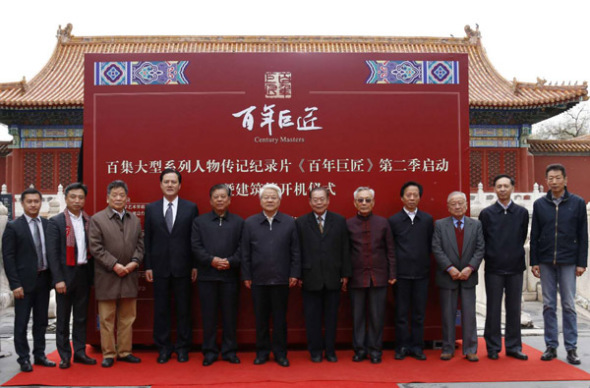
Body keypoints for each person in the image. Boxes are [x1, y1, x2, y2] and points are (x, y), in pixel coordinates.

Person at [530, 163, 588, 365]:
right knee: (548, 305)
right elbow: (534, 234)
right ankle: (550, 346)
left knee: (569, 305)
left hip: (569, 261)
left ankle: (571, 348)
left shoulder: (578, 203)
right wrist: (534, 261)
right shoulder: (539, 205)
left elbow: (583, 235)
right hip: (545, 261)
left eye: (557, 177)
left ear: (565, 180)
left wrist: (582, 262)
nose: (554, 181)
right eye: (550, 178)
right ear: (546, 181)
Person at [241, 184, 301, 367]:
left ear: (279, 200)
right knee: (260, 318)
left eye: (273, 197)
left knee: (280, 319)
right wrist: (246, 275)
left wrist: (294, 273)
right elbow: (245, 252)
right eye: (266, 197)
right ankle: (262, 352)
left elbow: (296, 251)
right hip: (258, 279)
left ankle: (281, 353)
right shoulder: (250, 223)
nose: (269, 200)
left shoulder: (290, 222)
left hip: (282, 278)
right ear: (260, 200)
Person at [144, 169, 198, 364]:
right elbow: (147, 240)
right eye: (166, 181)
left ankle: (183, 348)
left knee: (184, 309)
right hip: (159, 268)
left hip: (183, 267)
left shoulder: (190, 208)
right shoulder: (151, 208)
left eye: (173, 182)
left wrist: (194, 265)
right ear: (160, 185)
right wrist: (148, 266)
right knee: (161, 310)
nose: (169, 185)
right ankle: (164, 348)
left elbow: (194, 240)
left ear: (179, 185)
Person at [89, 180, 144, 368]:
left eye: (122, 195)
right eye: (115, 195)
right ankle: (109, 354)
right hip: (107, 276)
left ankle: (125, 351)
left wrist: (133, 263)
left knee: (127, 317)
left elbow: (140, 245)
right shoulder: (97, 219)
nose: (119, 198)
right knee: (106, 318)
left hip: (129, 275)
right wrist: (115, 265)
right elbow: (96, 248)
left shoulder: (134, 220)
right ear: (107, 198)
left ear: (127, 198)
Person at [2, 188, 56, 372]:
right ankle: (23, 358)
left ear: (41, 203)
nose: (33, 204)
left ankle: (40, 355)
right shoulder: (13, 227)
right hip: (23, 285)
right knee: (22, 322)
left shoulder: (48, 224)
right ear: (22, 203)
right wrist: (14, 284)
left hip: (43, 281)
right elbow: (8, 257)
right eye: (29, 201)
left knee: (41, 321)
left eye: (36, 201)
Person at [296, 187, 351, 363]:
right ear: (310, 202)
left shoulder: (340, 221)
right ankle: (315, 351)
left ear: (328, 200)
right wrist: (298, 274)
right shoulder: (301, 222)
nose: (318, 202)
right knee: (312, 318)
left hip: (333, 276)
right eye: (315, 199)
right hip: (309, 276)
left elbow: (345, 249)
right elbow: (297, 251)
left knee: (331, 318)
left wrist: (345, 274)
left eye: (322, 199)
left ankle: (330, 350)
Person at [46, 182, 97, 369]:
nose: (77, 200)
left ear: (84, 200)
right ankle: (65, 355)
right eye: (73, 197)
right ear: (66, 199)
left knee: (82, 317)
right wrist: (58, 279)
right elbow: (52, 254)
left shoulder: (88, 221)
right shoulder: (56, 222)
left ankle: (81, 352)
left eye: (80, 197)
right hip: (65, 276)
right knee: (63, 318)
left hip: (83, 274)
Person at [479, 175, 529, 361]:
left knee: (514, 308)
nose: (502, 189)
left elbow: (522, 237)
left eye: (505, 186)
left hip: (515, 267)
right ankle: (493, 346)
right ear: (494, 189)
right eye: (499, 186)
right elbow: (483, 240)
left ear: (512, 188)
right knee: (492, 309)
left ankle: (514, 346)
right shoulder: (487, 214)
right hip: (494, 267)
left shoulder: (522, 213)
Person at [192, 184, 243, 366]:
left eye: (223, 197)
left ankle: (229, 351)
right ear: (210, 200)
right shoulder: (200, 222)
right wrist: (212, 260)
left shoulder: (238, 222)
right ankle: (210, 351)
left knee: (230, 317)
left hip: (230, 277)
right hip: (207, 276)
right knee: (209, 317)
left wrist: (230, 261)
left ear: (229, 200)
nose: (220, 200)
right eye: (216, 197)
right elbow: (196, 247)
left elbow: (242, 248)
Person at [432, 191, 484, 362]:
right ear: (448, 207)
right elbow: (437, 248)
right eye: (453, 203)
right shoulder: (440, 225)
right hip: (448, 276)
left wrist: (470, 268)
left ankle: (470, 349)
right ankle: (448, 347)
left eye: (460, 203)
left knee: (469, 314)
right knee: (448, 313)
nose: (457, 206)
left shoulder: (475, 225)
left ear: (466, 205)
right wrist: (449, 268)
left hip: (469, 275)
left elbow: (480, 248)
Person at [347, 186, 396, 364]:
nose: (364, 203)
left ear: (373, 202)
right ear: (355, 203)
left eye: (368, 200)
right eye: (361, 200)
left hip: (379, 276)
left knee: (377, 316)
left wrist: (392, 273)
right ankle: (359, 350)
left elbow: (390, 250)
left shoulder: (383, 223)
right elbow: (345, 252)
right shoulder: (349, 224)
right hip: (356, 277)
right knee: (357, 317)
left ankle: (375, 351)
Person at [388, 181, 433, 361]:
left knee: (419, 314)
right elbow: (390, 248)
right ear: (402, 198)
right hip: (401, 275)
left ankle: (417, 346)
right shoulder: (393, 220)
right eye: (408, 195)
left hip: (421, 274)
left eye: (415, 195)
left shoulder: (427, 219)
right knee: (400, 314)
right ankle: (402, 346)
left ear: (420, 197)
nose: (412, 198)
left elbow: (430, 245)